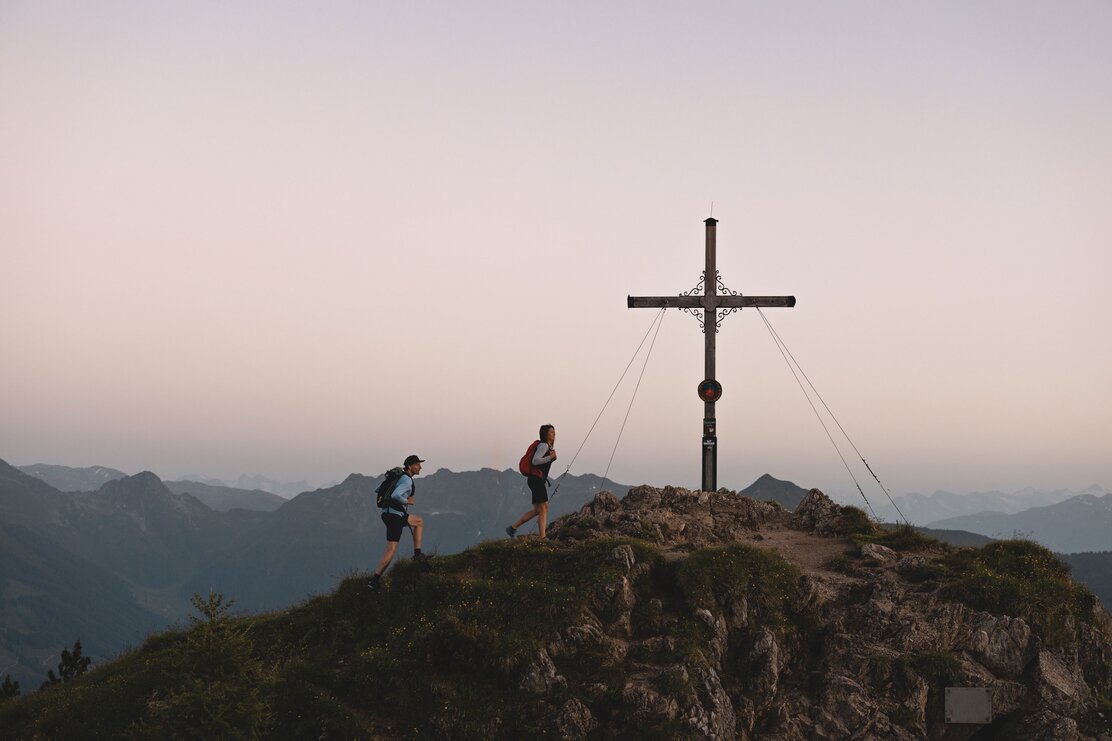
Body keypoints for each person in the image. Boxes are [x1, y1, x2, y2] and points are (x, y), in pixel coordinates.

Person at [368, 454, 426, 591]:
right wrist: (407, 501)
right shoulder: (406, 480)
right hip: (394, 516)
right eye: (418, 465)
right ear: (411, 466)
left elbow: (379, 489)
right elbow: (395, 495)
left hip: (390, 514)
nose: (420, 467)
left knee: (419, 522)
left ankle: (417, 555)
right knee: (391, 550)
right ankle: (374, 580)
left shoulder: (398, 477)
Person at [506, 424, 557, 539]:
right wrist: (550, 457)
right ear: (545, 434)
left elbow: (542, 463)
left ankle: (512, 528)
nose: (554, 434)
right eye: (551, 432)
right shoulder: (543, 445)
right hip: (536, 480)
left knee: (538, 510)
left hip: (535, 480)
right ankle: (542, 538)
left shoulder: (547, 447)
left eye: (554, 431)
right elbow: (535, 461)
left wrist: (551, 458)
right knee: (544, 508)